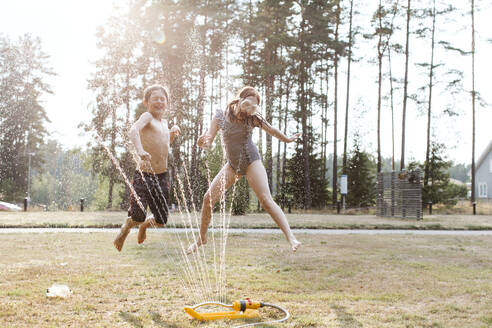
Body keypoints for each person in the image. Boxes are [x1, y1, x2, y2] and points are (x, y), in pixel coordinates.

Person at [187, 86, 301, 254]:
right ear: (239, 99)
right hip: (232, 166)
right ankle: (202, 238)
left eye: (253, 107)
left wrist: (287, 140)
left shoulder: (252, 118)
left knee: (265, 200)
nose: (248, 110)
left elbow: (272, 130)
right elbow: (209, 138)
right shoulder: (220, 116)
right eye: (247, 104)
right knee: (207, 199)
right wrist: (203, 141)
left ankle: (291, 237)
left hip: (251, 162)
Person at [114, 85, 180, 252]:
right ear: (146, 102)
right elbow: (133, 130)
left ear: (167, 102)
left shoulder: (164, 123)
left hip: (161, 177)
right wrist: (140, 150)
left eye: (162, 99)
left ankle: (143, 227)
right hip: (144, 175)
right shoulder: (147, 117)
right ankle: (125, 229)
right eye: (155, 98)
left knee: (161, 219)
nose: (159, 101)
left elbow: (163, 144)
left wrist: (171, 134)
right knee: (137, 216)